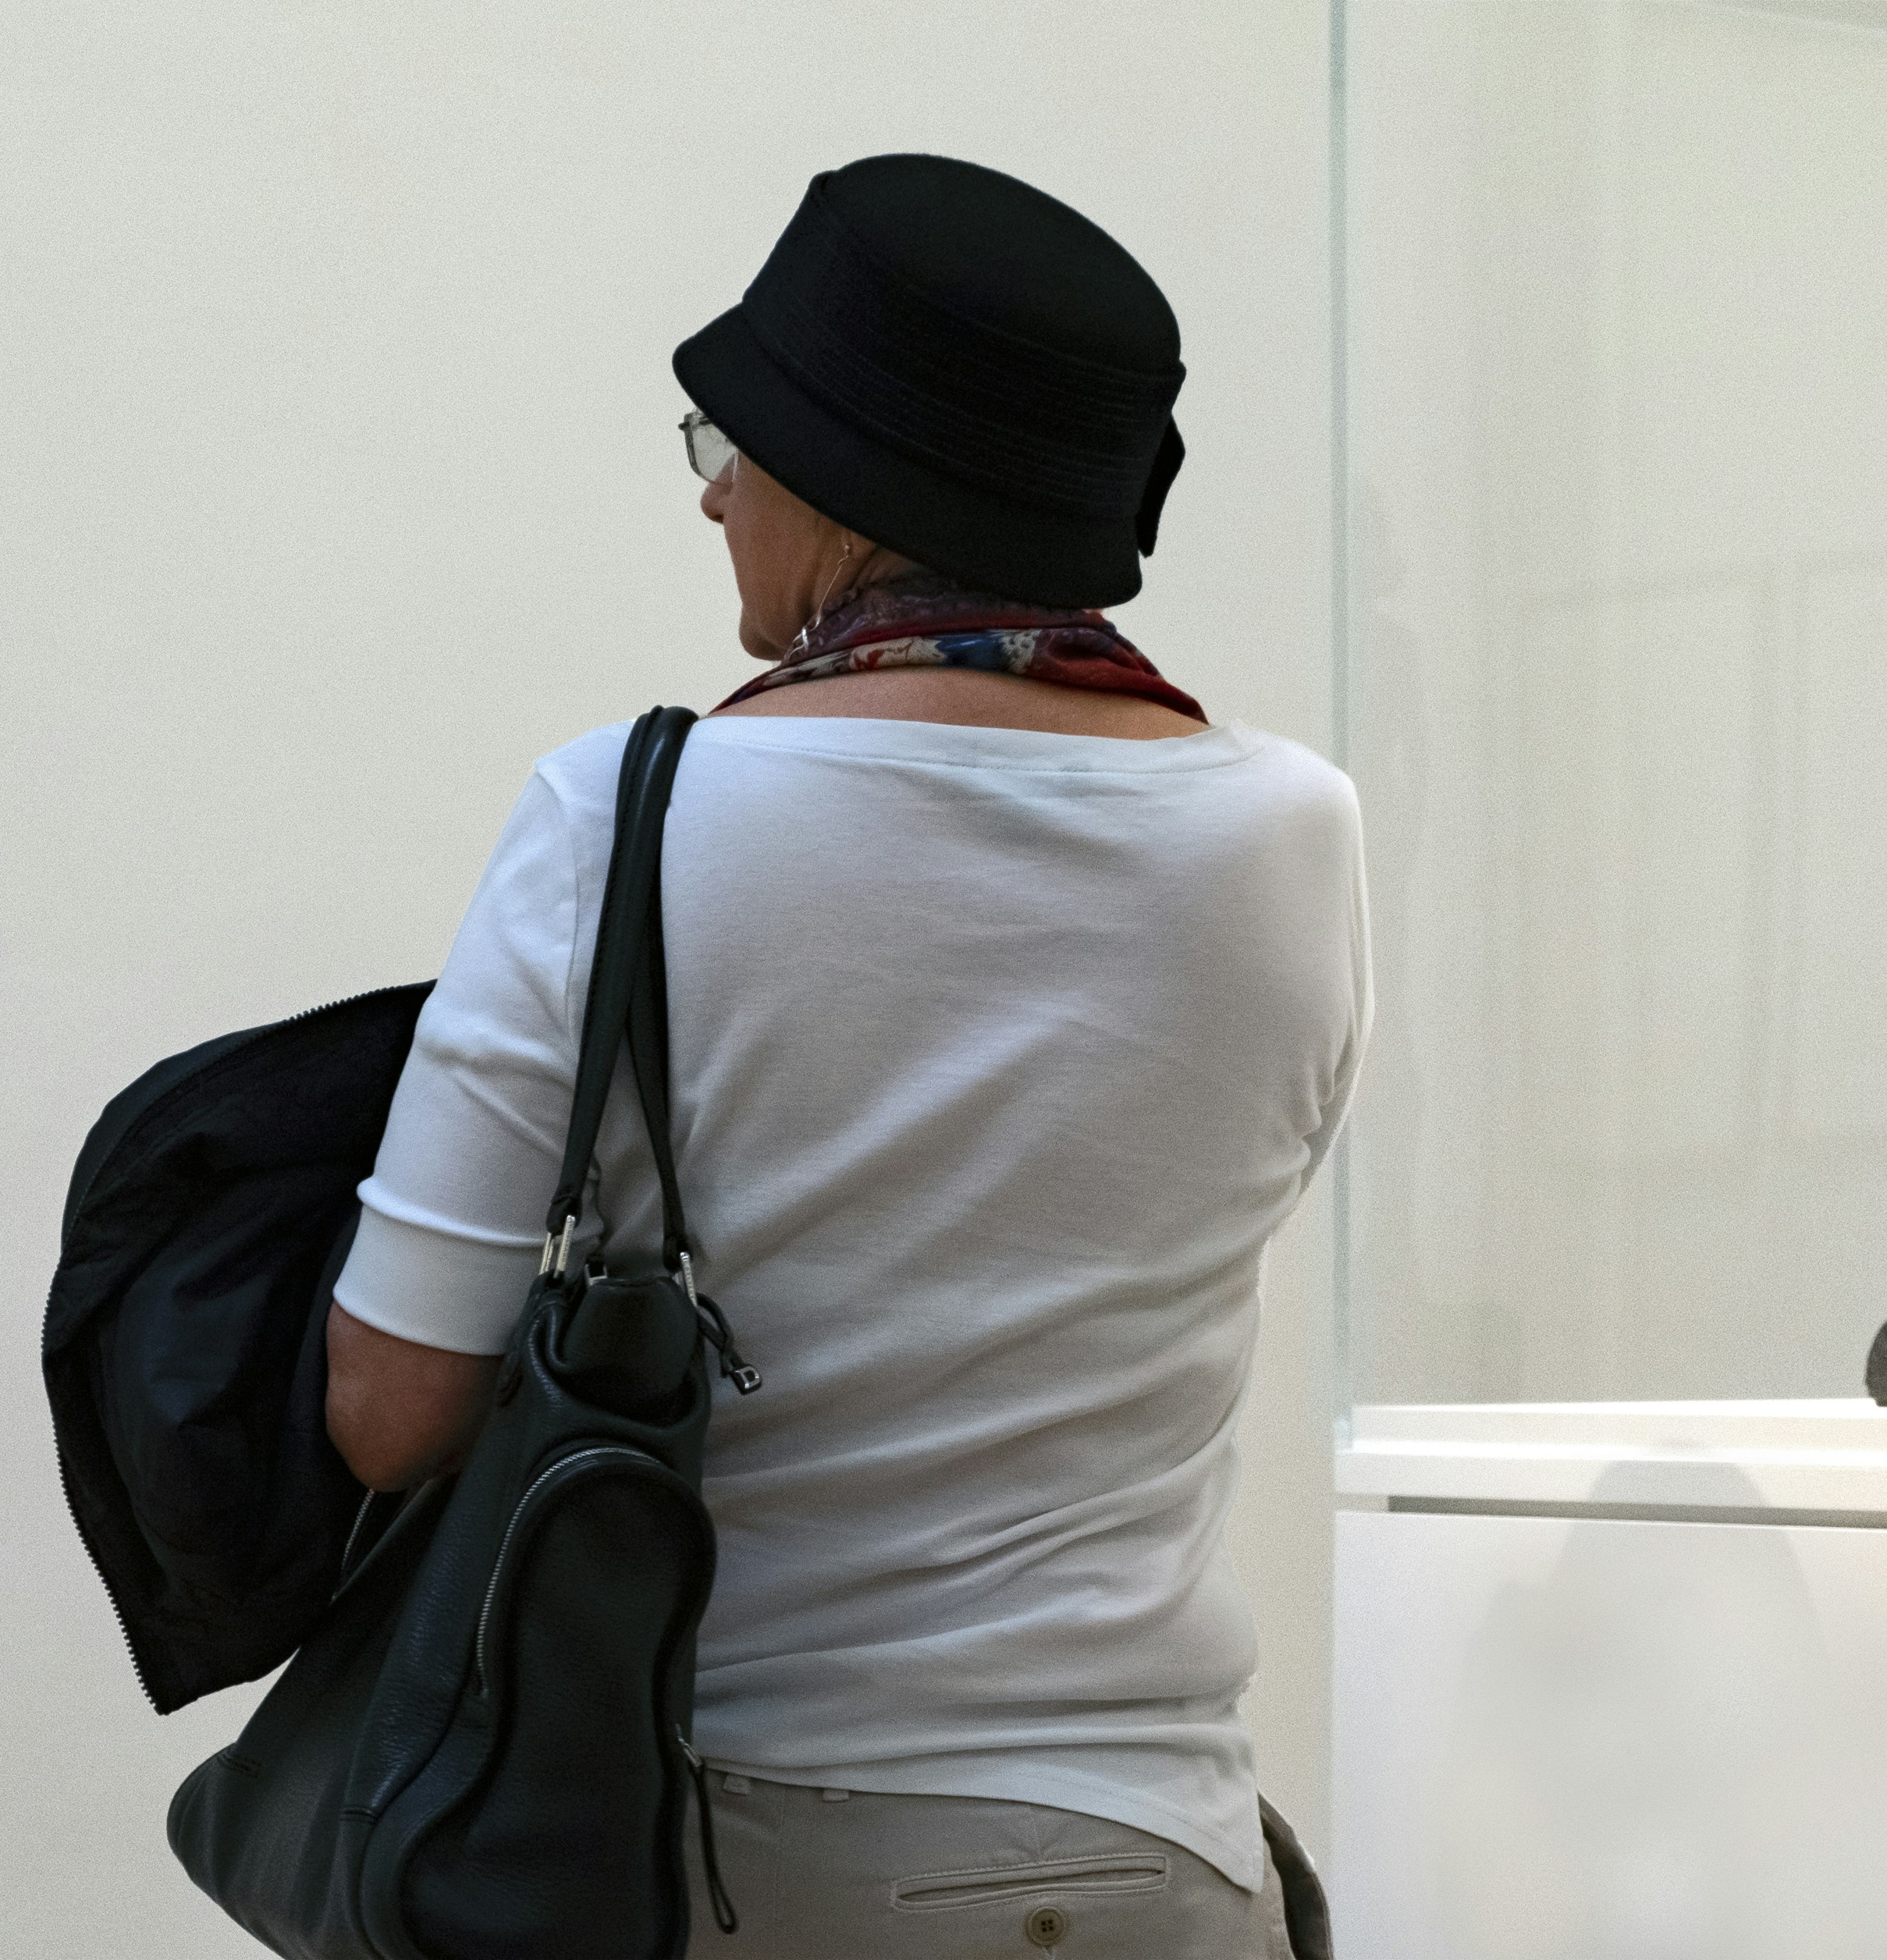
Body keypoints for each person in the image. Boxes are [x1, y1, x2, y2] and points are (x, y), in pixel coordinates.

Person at [318, 154, 1366, 1958]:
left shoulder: (626, 816)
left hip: (745, 1860)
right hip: (1165, 1863)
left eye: (733, 439)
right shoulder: (1295, 828)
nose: (715, 494)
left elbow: (390, 1408)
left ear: (854, 477)